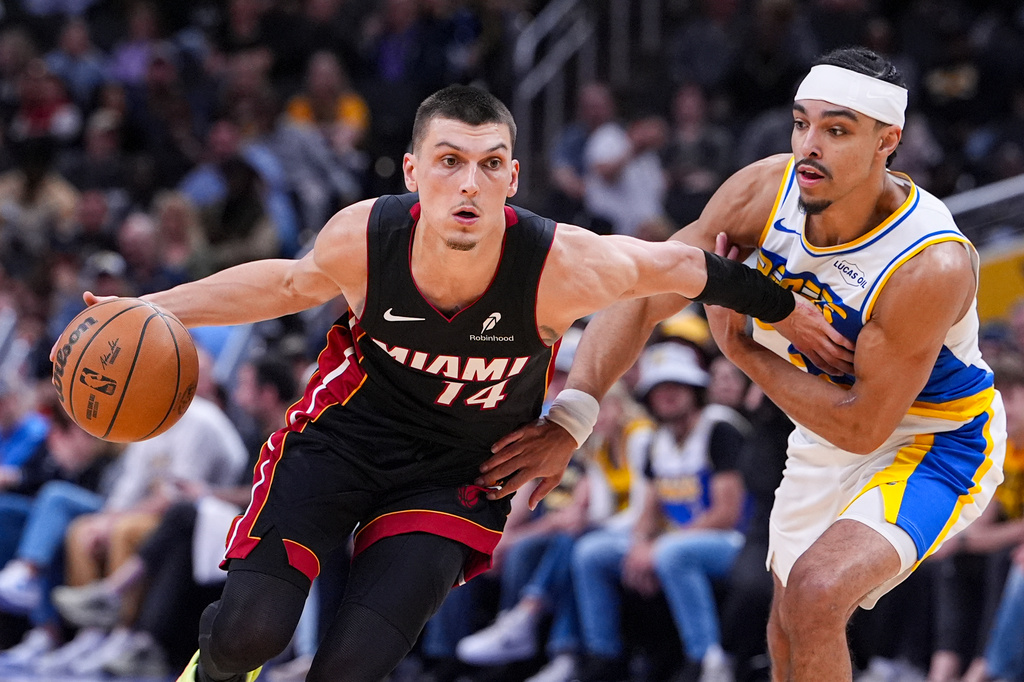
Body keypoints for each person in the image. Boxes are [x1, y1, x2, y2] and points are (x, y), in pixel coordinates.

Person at [65, 84, 814, 682]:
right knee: (248, 633)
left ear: (513, 179)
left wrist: (787, 311)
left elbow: (682, 268)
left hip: (456, 474)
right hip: (340, 443)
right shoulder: (367, 236)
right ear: (413, 172)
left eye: (490, 164)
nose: (469, 184)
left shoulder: (562, 264)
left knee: (350, 667)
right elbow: (286, 284)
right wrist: (156, 305)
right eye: (449, 160)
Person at [479, 48, 1007, 682]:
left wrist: (743, 350)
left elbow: (863, 426)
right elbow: (644, 295)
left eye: (837, 130)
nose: (809, 146)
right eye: (801, 123)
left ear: (887, 141)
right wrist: (573, 416)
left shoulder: (929, 263)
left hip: (933, 441)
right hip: (823, 426)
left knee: (816, 591)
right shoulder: (764, 192)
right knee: (785, 629)